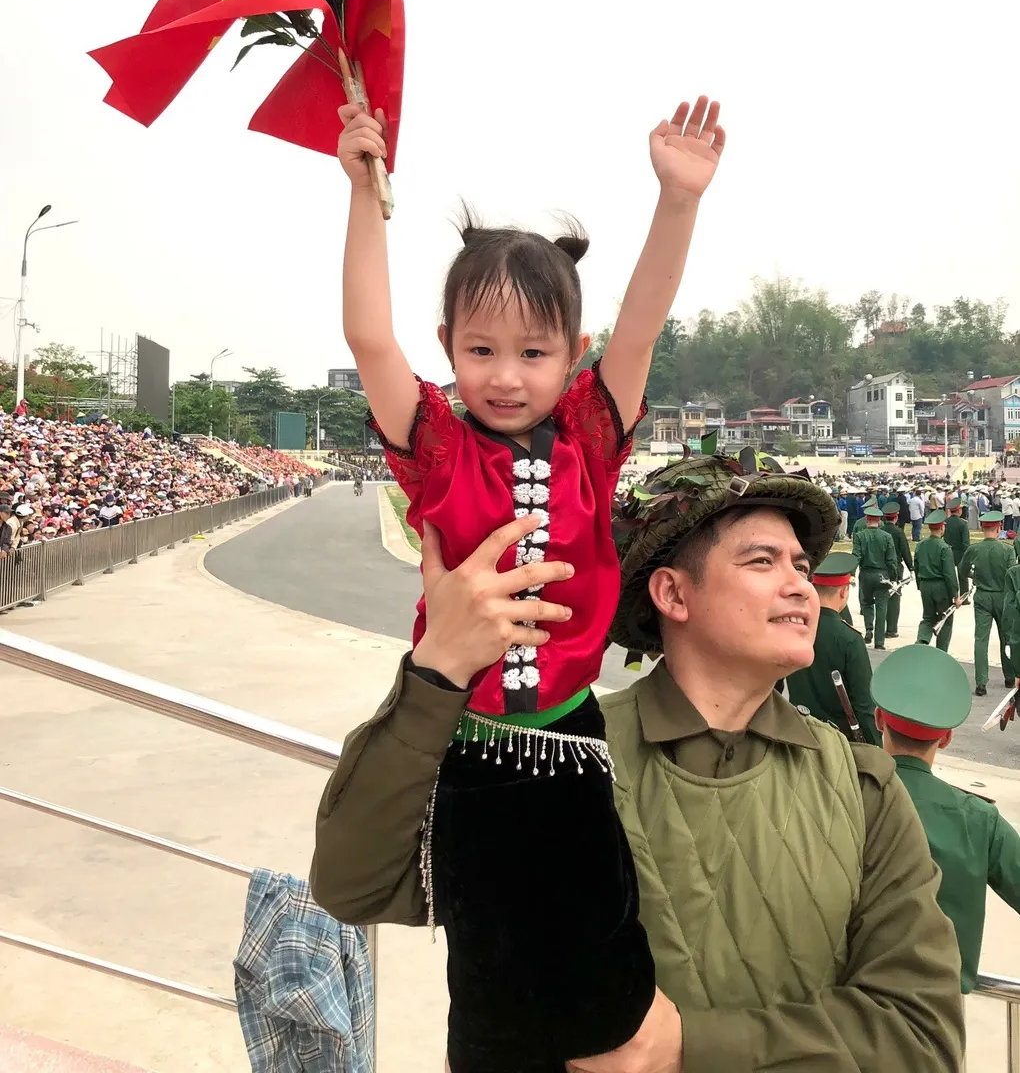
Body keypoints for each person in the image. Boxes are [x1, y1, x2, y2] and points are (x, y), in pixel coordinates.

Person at [310, 454, 965, 1071]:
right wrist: (438, 671)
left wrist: (689, 1047)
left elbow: (923, 1036)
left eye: (800, 562)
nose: (800, 584)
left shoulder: (862, 786)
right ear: (673, 595)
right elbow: (360, 884)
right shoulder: (551, 764)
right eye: (763, 561)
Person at [335, 92, 725, 1072]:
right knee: (495, 1003)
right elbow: (368, 341)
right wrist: (360, 198)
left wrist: (676, 202)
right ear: (448, 345)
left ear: (571, 355)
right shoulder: (432, 444)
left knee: (606, 994)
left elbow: (641, 326)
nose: (506, 375)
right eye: (481, 350)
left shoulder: (592, 438)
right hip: (466, 760)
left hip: (577, 751)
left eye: (534, 352)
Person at [871, 644, 1020, 994]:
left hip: (842, 1012)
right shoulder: (979, 820)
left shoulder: (840, 796)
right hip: (937, 1016)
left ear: (879, 719)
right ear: (948, 738)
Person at [785, 551, 879, 744]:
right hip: (838, 742)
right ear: (843, 591)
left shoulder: (791, 627)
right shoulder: (849, 638)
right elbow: (863, 706)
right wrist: (875, 747)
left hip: (798, 732)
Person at [960, 510, 1017, 698]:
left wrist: (974, 576)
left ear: (983, 528)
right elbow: (1011, 574)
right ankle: (1009, 676)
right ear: (999, 527)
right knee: (1006, 637)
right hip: (1002, 595)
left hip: (982, 595)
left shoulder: (974, 549)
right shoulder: (1007, 550)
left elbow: (962, 569)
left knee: (981, 639)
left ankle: (981, 682)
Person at [915, 510, 963, 652]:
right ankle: (941, 651)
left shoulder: (921, 545)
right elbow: (949, 574)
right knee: (945, 619)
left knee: (928, 617)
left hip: (925, 585)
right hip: (941, 586)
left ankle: (922, 641)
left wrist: (920, 586)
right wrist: (955, 595)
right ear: (942, 528)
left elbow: (916, 566)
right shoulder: (944, 548)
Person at [852, 504, 897, 647]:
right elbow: (891, 560)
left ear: (866, 520)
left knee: (866, 604)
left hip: (865, 574)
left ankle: (868, 628)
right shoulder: (887, 537)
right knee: (882, 607)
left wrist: (852, 573)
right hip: (882, 574)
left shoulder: (860, 536)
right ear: (879, 521)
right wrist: (894, 577)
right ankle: (879, 641)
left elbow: (856, 556)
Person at [881, 501, 913, 639]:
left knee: (881, 599)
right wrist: (911, 567)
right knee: (894, 600)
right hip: (895, 568)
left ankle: (879, 629)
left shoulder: (880, 531)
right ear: (896, 517)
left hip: (881, 567)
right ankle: (891, 629)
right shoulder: (898, 532)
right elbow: (905, 551)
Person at [942, 497, 970, 595]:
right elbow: (966, 542)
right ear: (959, 510)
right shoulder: (963, 524)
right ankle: (964, 596)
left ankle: (950, 594)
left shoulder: (945, 522)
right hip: (960, 552)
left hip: (947, 551)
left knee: (948, 574)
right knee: (962, 575)